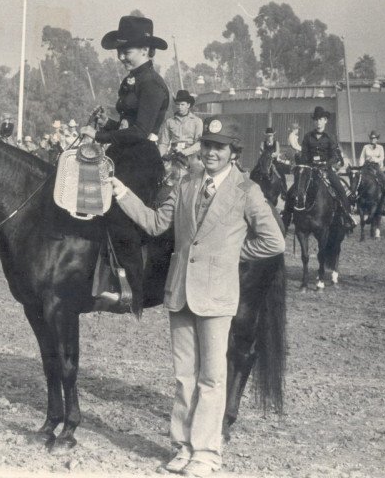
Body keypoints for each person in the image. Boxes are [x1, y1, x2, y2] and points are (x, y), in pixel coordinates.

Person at [109, 115, 285, 477]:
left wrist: (233, 254)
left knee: (212, 378)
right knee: (184, 377)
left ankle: (206, 453)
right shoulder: (186, 184)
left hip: (218, 295)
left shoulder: (246, 191)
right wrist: (121, 193)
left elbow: (273, 241)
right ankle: (182, 446)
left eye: (219, 148)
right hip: (180, 292)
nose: (210, 152)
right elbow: (157, 223)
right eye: (206, 145)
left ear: (233, 154)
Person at [80, 15, 170, 314]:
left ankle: (131, 288)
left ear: (145, 49)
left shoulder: (153, 84)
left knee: (119, 213)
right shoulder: (133, 79)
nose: (121, 55)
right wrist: (110, 123)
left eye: (126, 50)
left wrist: (100, 133)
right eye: (120, 50)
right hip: (122, 154)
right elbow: (128, 124)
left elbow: (141, 132)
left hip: (143, 161)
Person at [283, 106, 357, 230]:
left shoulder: (330, 137)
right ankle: (286, 217)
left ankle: (347, 216)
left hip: (326, 171)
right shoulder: (308, 136)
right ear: (314, 121)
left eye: (321, 119)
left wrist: (325, 164)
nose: (318, 122)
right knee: (293, 191)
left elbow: (334, 157)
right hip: (310, 170)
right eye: (316, 119)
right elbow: (305, 154)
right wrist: (303, 161)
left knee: (340, 189)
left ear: (325, 120)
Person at [158, 89, 203, 177]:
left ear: (188, 105)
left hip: (190, 155)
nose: (179, 107)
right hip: (173, 155)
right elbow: (163, 142)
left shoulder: (197, 121)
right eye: (177, 104)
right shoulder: (169, 121)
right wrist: (161, 158)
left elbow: (199, 143)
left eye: (182, 104)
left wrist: (184, 152)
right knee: (164, 175)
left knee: (198, 174)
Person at [359, 130, 385, 196]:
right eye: (371, 138)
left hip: (376, 166)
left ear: (377, 139)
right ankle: (356, 196)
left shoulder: (380, 147)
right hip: (367, 166)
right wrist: (361, 166)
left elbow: (382, 157)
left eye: (374, 138)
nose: (372, 140)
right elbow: (362, 157)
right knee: (358, 179)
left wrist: (374, 159)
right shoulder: (366, 147)